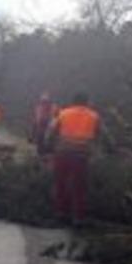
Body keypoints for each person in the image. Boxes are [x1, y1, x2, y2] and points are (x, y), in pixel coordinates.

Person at [46, 92, 105, 226]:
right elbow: (104, 135)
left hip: (62, 154)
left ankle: (61, 213)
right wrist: (112, 148)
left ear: (73, 101)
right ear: (87, 101)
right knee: (80, 187)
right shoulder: (94, 116)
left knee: (61, 183)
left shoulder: (63, 113)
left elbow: (50, 131)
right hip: (81, 156)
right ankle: (78, 218)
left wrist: (49, 147)